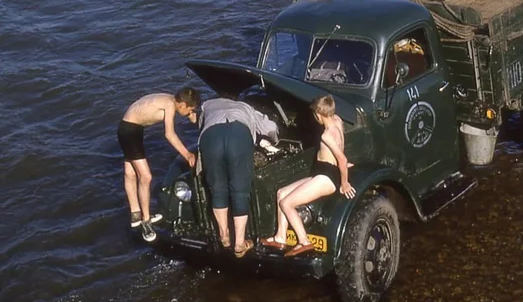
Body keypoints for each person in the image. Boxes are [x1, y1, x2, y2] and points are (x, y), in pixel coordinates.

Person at [263, 95, 354, 257]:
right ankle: (280, 237)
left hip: (327, 177)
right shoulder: (338, 121)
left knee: (286, 203)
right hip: (323, 171)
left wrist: (345, 183)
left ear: (318, 115)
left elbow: (342, 158)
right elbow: (341, 150)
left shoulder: (327, 135)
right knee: (281, 193)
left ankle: (304, 242)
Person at [198, 96, 279, 257]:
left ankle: (224, 236)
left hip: (210, 137)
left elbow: (201, 127)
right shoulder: (245, 106)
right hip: (238, 134)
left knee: (218, 189)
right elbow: (269, 127)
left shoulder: (206, 106)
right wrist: (275, 139)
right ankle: (240, 243)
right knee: (240, 190)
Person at [117, 88, 200, 242]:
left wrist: (192, 116)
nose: (189, 113)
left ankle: (136, 214)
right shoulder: (169, 105)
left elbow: (186, 111)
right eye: (189, 109)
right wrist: (187, 154)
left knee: (130, 173)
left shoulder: (170, 100)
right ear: (182, 104)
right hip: (129, 131)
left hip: (131, 128)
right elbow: (169, 134)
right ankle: (146, 222)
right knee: (146, 177)